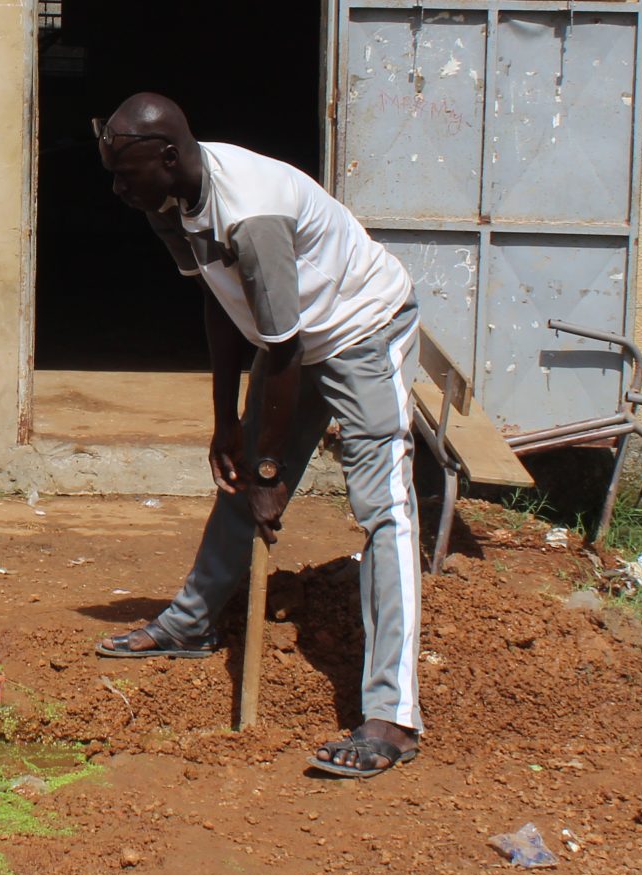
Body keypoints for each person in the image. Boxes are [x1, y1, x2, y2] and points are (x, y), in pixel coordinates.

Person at [92, 91, 427, 779]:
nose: (116, 188)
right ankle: (192, 622)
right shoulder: (168, 201)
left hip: (362, 330)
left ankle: (391, 716)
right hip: (289, 338)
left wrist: (271, 469)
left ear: (168, 154)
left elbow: (280, 348)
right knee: (244, 469)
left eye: (126, 172)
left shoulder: (253, 214)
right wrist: (227, 425)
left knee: (384, 507)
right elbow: (224, 302)